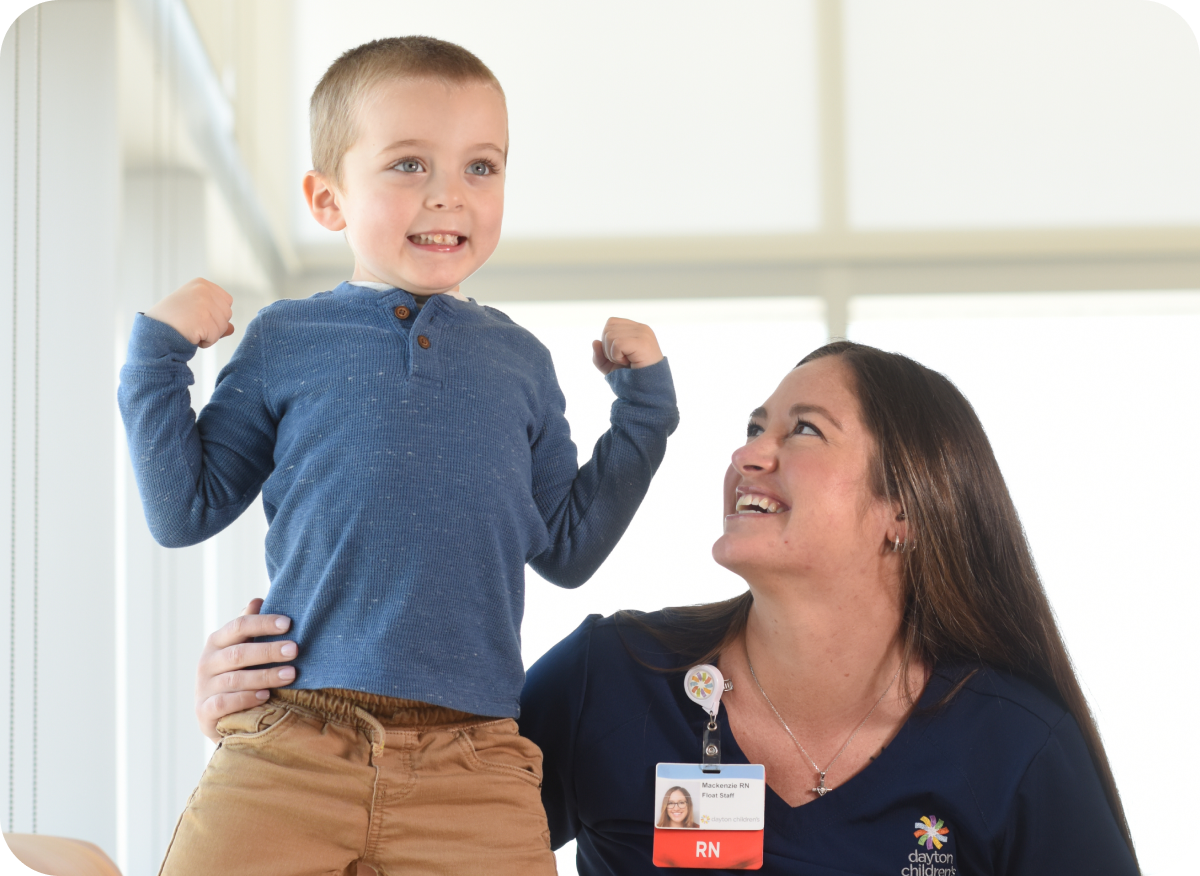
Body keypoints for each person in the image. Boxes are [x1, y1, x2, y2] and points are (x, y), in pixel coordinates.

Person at [197, 341, 1139, 875]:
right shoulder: (615, 678)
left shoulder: (1015, 746)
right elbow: (402, 809)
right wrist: (271, 724)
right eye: (753, 428)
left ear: (906, 511)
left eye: (803, 431)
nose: (749, 454)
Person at [120, 36, 678, 876]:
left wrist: (646, 413)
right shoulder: (283, 340)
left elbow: (568, 550)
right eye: (409, 164)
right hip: (292, 748)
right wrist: (156, 359)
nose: (449, 193)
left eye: (481, 167)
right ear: (328, 199)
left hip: (476, 767)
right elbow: (182, 509)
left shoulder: (522, 363)